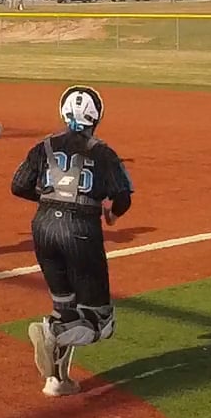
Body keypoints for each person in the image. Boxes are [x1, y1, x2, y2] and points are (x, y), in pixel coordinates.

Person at [11, 86, 134, 397]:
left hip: (43, 228)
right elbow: (123, 197)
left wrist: (50, 198)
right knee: (101, 322)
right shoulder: (103, 152)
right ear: (97, 116)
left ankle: (56, 381)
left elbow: (18, 185)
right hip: (80, 231)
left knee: (65, 308)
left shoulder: (44, 146)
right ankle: (52, 332)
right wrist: (112, 214)